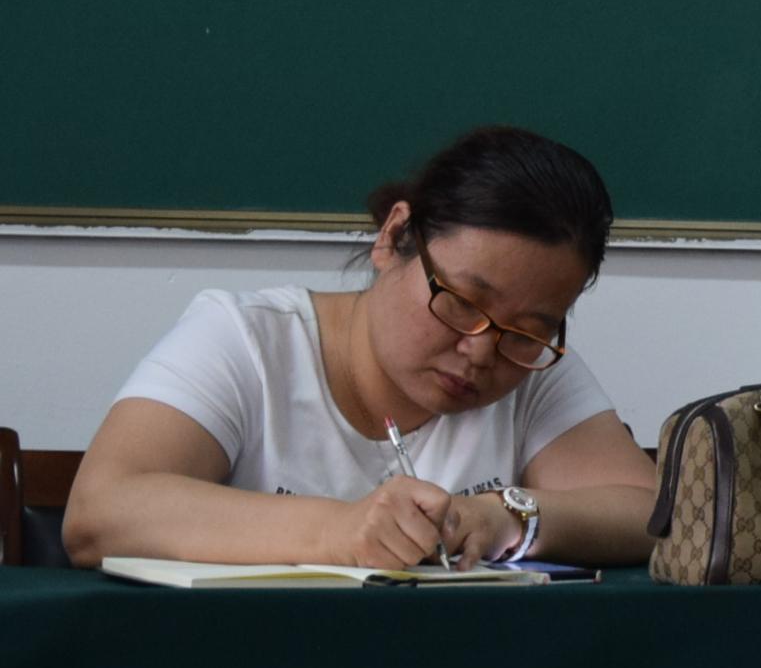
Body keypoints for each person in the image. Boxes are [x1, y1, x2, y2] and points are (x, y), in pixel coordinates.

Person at [66, 126, 659, 570]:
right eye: (461, 301)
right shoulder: (247, 339)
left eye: (527, 330)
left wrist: (507, 515)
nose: (482, 352)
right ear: (394, 236)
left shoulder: (531, 369)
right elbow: (100, 513)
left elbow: (651, 514)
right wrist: (339, 532)